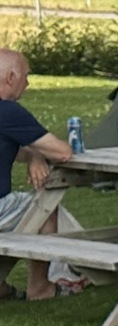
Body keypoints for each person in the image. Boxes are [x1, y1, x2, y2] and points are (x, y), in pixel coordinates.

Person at [0, 48, 79, 300]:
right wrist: (41, 152)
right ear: (11, 77)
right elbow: (63, 152)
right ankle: (42, 287)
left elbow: (12, 147)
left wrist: (35, 154)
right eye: (26, 76)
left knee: (22, 210)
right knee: (45, 205)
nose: (28, 83)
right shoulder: (7, 111)